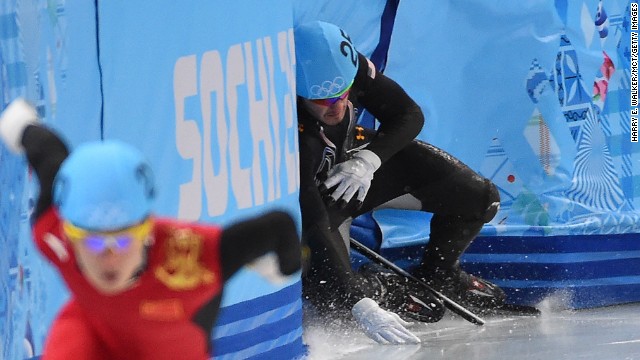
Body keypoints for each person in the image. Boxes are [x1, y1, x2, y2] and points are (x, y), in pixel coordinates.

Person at [0, 99, 302, 360]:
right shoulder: (53, 233)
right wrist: (21, 124)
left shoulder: (194, 255)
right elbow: (51, 157)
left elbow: (279, 225)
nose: (109, 258)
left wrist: (287, 266)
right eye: (92, 244)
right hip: (91, 333)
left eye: (122, 242)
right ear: (70, 235)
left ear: (147, 232)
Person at [295, 21, 506, 344]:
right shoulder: (291, 129)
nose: (336, 106)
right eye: (322, 101)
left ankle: (440, 272)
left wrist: (369, 161)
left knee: (481, 197)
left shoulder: (347, 66)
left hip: (356, 165)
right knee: (330, 295)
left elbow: (408, 114)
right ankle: (382, 288)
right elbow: (312, 220)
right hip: (321, 201)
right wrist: (361, 304)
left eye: (343, 94)